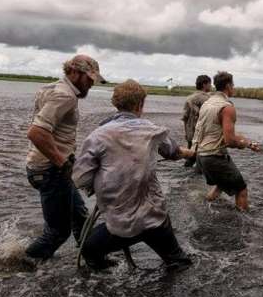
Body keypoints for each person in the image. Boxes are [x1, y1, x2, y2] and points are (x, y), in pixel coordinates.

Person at [72, 79, 195, 270]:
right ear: (140, 104)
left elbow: (81, 178)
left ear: (115, 103)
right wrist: (191, 152)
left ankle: (104, 284)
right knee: (179, 262)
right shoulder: (153, 131)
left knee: (89, 250)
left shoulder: (98, 135)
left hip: (119, 223)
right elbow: (174, 152)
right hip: (155, 217)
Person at [25, 54, 107, 260]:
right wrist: (63, 163)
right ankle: (23, 263)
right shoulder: (65, 96)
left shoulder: (51, 88)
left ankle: (93, 259)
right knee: (58, 232)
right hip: (50, 170)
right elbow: (36, 132)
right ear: (74, 72)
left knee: (81, 218)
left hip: (46, 167)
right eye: (89, 80)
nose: (91, 85)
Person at [192, 71, 260, 211]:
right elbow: (230, 140)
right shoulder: (227, 107)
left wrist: (248, 142)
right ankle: (243, 223)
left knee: (221, 185)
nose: (233, 88)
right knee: (241, 190)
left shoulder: (207, 103)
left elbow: (222, 133)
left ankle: (202, 207)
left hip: (201, 156)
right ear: (228, 86)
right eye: (233, 85)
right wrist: (245, 145)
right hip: (214, 157)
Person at [181, 75, 212, 168]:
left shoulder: (189, 98)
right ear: (204, 84)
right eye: (209, 84)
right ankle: (196, 177)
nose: (211, 86)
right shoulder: (208, 99)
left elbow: (184, 117)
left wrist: (186, 133)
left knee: (191, 155)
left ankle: (188, 175)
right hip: (202, 135)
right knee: (201, 158)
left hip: (190, 133)